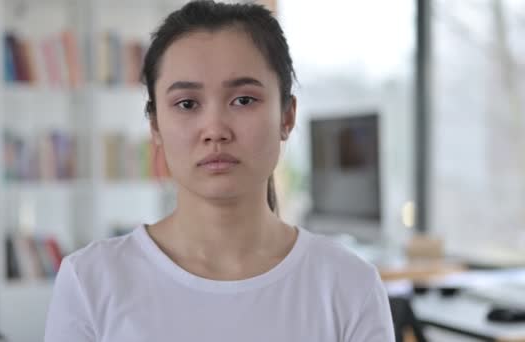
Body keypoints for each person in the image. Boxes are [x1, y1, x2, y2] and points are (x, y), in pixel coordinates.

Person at [44, 1, 395, 341]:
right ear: (155, 126)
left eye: (243, 100)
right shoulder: (91, 280)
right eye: (187, 104)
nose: (215, 129)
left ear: (286, 116)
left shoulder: (350, 286)